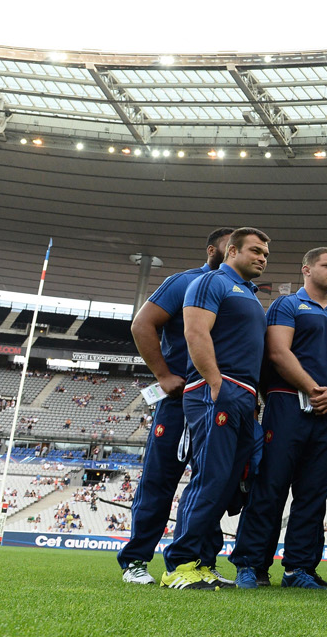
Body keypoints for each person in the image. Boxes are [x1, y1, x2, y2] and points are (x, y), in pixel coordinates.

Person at [230, 247, 327, 590]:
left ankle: (299, 568)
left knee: (313, 494)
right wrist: (315, 389)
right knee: (269, 488)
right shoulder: (286, 305)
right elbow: (277, 352)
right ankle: (251, 565)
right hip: (287, 404)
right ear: (306, 269)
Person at [118, 227, 233, 586]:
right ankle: (135, 561)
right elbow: (142, 324)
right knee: (159, 479)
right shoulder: (184, 281)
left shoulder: (238, 291)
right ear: (213, 250)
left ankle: (201, 562)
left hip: (219, 402)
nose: (235, 252)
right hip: (181, 399)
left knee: (211, 484)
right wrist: (163, 375)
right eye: (229, 246)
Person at [161, 227, 271, 590]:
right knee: (210, 477)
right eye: (255, 250)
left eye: (265, 254)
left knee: (225, 484)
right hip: (217, 390)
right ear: (232, 251)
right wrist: (215, 382)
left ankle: (203, 563)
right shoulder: (212, 282)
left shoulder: (249, 293)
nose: (262, 258)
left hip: (243, 395)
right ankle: (180, 565)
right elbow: (195, 332)